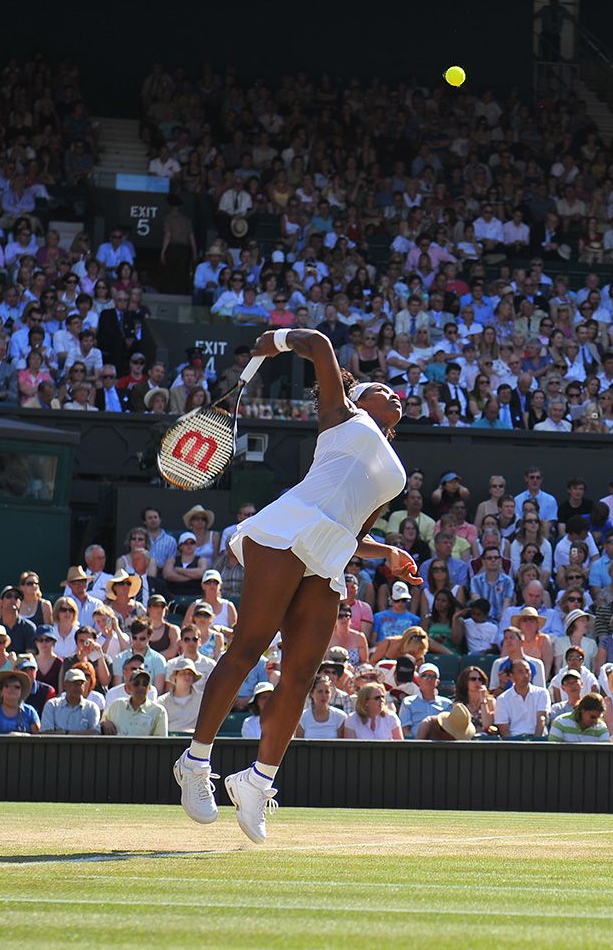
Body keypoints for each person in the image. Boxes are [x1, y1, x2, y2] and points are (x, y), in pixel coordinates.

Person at [174, 327, 417, 843]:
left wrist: (388, 552)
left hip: (328, 551)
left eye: (396, 394)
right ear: (355, 397)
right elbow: (321, 345)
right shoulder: (342, 416)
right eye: (379, 388)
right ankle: (195, 763)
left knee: (302, 673)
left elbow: (355, 532)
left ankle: (257, 782)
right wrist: (276, 341)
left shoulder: (394, 472)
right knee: (248, 648)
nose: (393, 392)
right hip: (290, 529)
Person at [398, 663, 451, 737]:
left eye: (433, 676)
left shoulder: (447, 704)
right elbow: (405, 729)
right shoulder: (408, 702)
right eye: (425, 676)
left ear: (437, 682)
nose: (429, 679)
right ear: (419, 680)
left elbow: (450, 729)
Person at [0, 668, 41, 735]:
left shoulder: (30, 711)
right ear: (1, 691)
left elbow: (38, 736)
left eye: (17, 687)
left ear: (21, 692)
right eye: (7, 686)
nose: (12, 689)